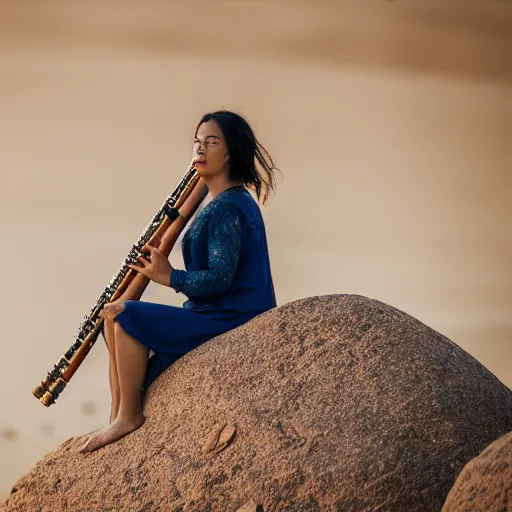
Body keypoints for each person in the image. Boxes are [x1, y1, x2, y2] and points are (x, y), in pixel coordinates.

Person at [79, 110, 279, 453]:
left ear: (230, 153)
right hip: (213, 314)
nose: (200, 151)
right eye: (197, 143)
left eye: (211, 143)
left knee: (125, 314)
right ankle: (117, 413)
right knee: (111, 318)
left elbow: (219, 277)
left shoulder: (228, 208)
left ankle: (128, 417)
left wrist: (168, 276)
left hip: (231, 318)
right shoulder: (224, 201)